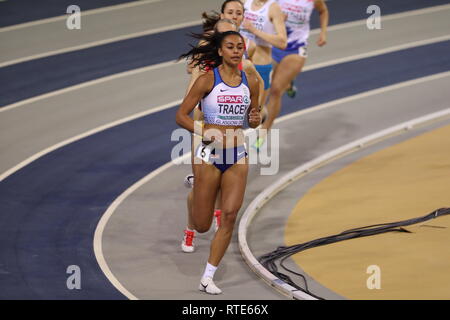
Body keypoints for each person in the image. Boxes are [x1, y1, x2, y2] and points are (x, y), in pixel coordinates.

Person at [177, 30, 261, 294]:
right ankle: (194, 199)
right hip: (210, 155)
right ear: (221, 51)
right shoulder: (206, 80)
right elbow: (181, 116)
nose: (236, 51)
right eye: (230, 47)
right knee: (203, 225)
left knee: (230, 216)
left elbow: (253, 116)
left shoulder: (252, 81)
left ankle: (207, 277)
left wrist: (256, 119)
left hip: (237, 155)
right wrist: (203, 130)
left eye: (240, 46)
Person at [181, 0, 266, 254]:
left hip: (231, 136)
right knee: (202, 186)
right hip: (203, 126)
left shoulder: (243, 57)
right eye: (230, 14)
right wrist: (199, 124)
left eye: (239, 14)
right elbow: (192, 84)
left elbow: (258, 85)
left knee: (224, 177)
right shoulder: (204, 56)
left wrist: (255, 110)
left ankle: (220, 214)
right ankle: (191, 228)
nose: (236, 17)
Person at [254, 0, 329, 149]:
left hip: (296, 48)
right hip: (273, 45)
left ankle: (263, 133)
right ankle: (288, 83)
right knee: (259, 83)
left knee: (276, 90)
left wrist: (323, 33)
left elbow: (323, 11)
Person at [240, 0, 287, 113]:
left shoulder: (273, 8)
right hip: (239, 63)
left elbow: (282, 43)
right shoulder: (244, 2)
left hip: (260, 66)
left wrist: (254, 30)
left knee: (255, 113)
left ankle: (263, 115)